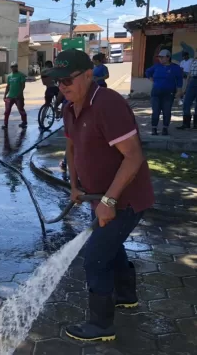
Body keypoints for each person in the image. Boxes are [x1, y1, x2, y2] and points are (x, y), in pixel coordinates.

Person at [44, 49, 154, 343]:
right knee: (111, 247)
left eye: (68, 79)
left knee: (94, 258)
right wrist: (75, 185)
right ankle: (126, 296)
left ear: (89, 75)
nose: (63, 86)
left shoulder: (108, 104)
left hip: (125, 198)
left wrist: (108, 202)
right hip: (98, 196)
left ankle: (101, 325)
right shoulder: (69, 108)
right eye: (58, 81)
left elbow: (133, 157)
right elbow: (72, 148)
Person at [144, 50, 184, 136]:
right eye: (159, 57)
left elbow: (179, 80)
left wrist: (179, 91)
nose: (160, 59)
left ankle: (165, 128)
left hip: (168, 93)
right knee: (155, 111)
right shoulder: (156, 66)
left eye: (162, 57)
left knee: (167, 111)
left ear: (168, 57)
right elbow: (147, 72)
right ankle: (154, 128)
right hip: (156, 92)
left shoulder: (175, 68)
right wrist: (151, 78)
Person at [2, 63, 27, 129]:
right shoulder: (9, 76)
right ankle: (5, 124)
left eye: (15, 66)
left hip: (19, 97)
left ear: (17, 67)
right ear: (11, 67)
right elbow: (8, 86)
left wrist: (19, 94)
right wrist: (5, 95)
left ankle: (24, 122)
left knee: (21, 109)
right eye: (12, 67)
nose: (14, 68)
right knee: (7, 111)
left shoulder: (21, 75)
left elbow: (23, 86)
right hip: (10, 96)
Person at [178, 57, 197, 130]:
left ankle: (196, 124)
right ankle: (186, 124)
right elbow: (189, 74)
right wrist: (185, 87)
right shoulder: (194, 61)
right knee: (186, 102)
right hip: (192, 81)